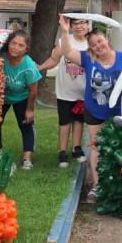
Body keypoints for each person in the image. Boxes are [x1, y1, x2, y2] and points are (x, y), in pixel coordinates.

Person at [59, 15, 122, 203]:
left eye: (100, 41)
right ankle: (97, 185)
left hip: (120, 111)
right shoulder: (87, 59)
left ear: (107, 39)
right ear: (91, 48)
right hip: (95, 110)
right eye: (94, 44)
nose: (98, 46)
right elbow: (66, 52)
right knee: (96, 145)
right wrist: (65, 32)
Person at [39, 18, 90, 168]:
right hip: (64, 91)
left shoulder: (91, 43)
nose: (80, 26)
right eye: (76, 23)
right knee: (64, 122)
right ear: (71, 26)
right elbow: (54, 60)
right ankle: (62, 152)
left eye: (83, 23)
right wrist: (41, 67)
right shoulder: (64, 41)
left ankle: (76, 148)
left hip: (83, 92)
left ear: (88, 25)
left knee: (79, 121)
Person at [0, 30, 40, 169]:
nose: (15, 47)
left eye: (20, 45)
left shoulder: (29, 67)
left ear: (26, 49)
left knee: (26, 125)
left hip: (22, 96)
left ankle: (27, 159)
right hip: (1, 96)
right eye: (13, 43)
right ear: (8, 42)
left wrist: (29, 110)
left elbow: (33, 90)